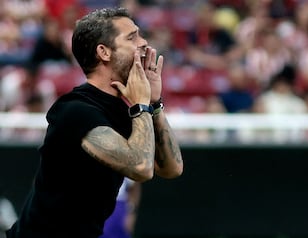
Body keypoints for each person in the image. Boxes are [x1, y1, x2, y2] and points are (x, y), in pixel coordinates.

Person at [6, 7, 183, 238]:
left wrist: (155, 102)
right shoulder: (75, 110)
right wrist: (141, 105)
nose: (144, 42)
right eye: (132, 37)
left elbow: (172, 168)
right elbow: (141, 167)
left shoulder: (124, 109)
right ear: (104, 52)